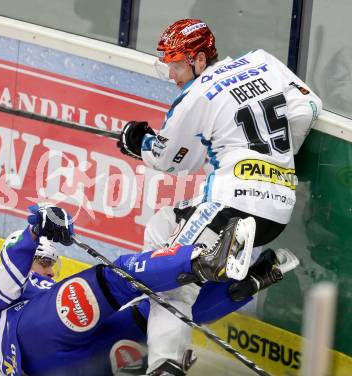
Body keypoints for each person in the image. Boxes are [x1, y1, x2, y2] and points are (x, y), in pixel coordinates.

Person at [117, 18, 321, 374]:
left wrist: (137, 143)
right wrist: (278, 162)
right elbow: (308, 108)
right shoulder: (263, 61)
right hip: (276, 209)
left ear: (198, 59)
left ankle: (165, 366)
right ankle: (254, 276)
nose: (171, 74)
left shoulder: (195, 95)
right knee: (161, 228)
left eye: (177, 64)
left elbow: (169, 161)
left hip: (231, 207)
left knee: (172, 279)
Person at [0, 203, 296, 375]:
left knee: (160, 309)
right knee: (117, 277)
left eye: (51, 263)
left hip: (67, 368)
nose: (48, 269)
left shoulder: (43, 289)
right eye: (42, 262)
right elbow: (7, 269)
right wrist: (34, 233)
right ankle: (200, 260)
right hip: (30, 338)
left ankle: (252, 280)